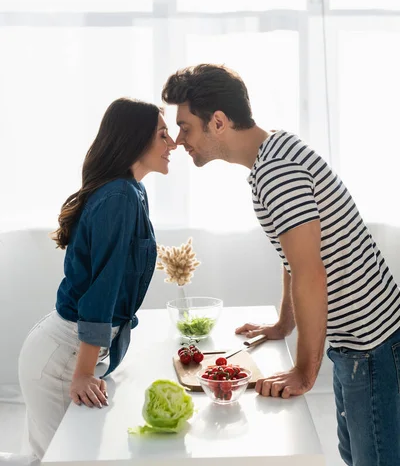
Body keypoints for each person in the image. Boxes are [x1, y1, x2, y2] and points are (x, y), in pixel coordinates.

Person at [162, 63, 400, 466]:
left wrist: (303, 372)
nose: (179, 139)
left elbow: (311, 273)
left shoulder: (277, 173)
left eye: (185, 127)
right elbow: (296, 259)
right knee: (355, 454)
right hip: (359, 344)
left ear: (217, 122)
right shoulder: (273, 155)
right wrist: (284, 323)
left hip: (370, 347)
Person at [18, 98, 176, 460]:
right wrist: (83, 373)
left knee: (60, 455)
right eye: (163, 134)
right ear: (135, 139)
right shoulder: (120, 196)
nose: (174, 143)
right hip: (62, 359)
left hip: (71, 351)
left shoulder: (132, 191)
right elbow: (102, 291)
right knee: (62, 458)